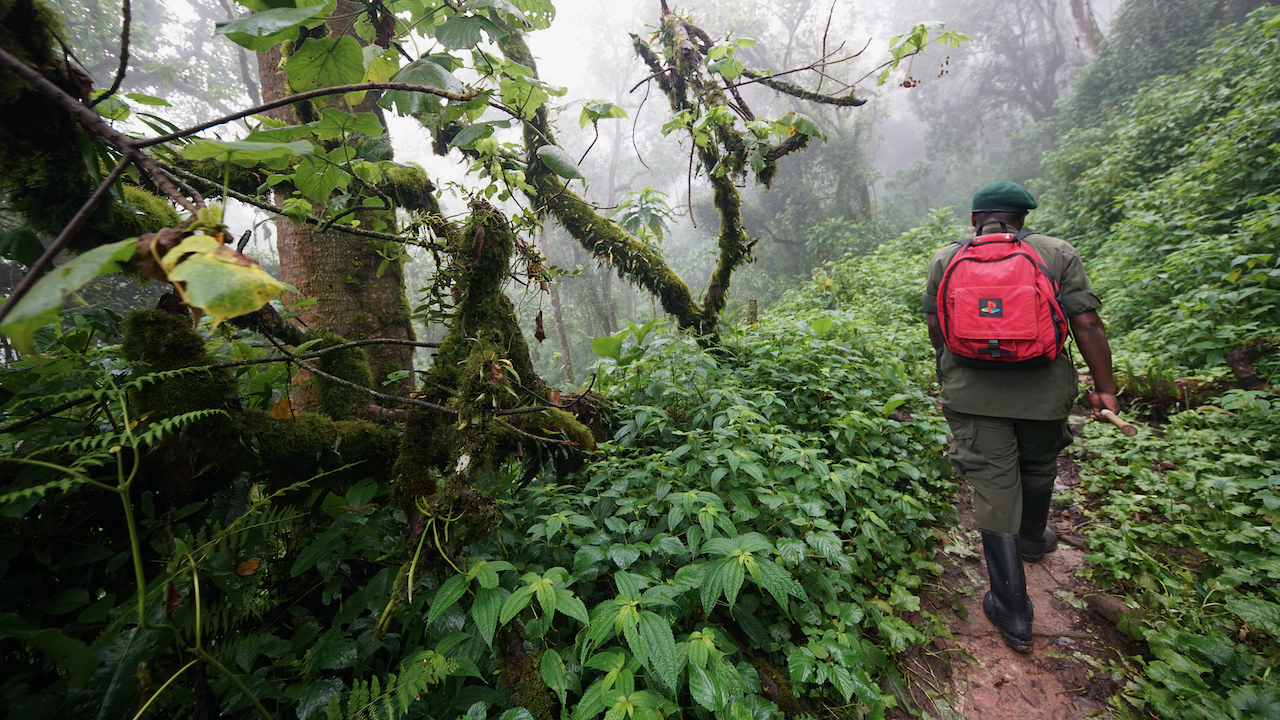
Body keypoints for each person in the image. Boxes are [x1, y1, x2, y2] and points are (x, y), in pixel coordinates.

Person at [922, 181, 1120, 653]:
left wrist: (950, 370)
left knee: (993, 486)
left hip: (972, 395)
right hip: (1043, 394)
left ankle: (1012, 609)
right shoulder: (1057, 253)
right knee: (1039, 462)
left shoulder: (946, 258)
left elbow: (935, 324)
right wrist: (1105, 389)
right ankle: (1032, 537)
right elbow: (1086, 323)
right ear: (1023, 218)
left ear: (975, 219)